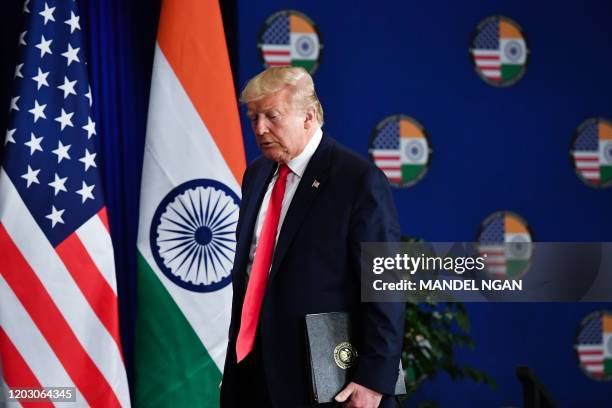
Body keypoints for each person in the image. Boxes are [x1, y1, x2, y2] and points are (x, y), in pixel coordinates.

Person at [220, 66, 405, 408]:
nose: (260, 129)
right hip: (251, 375)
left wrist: (374, 380)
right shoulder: (257, 174)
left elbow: (385, 285)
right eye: (253, 118)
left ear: (308, 116)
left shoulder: (357, 180)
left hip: (328, 383)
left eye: (272, 116)